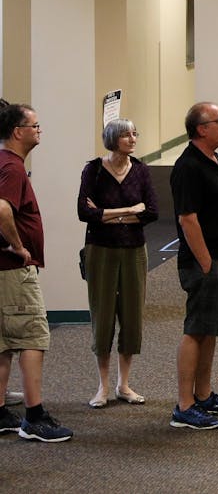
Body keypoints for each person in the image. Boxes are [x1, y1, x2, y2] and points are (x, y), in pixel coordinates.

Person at [0, 102, 74, 442]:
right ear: (18, 131)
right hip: (12, 270)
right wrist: (18, 246)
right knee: (32, 337)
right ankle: (35, 417)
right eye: (35, 125)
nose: (39, 130)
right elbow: (2, 209)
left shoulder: (5, 163)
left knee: (4, 342)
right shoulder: (12, 167)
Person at [170, 102, 218, 430]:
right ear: (202, 129)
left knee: (210, 330)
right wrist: (205, 263)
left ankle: (204, 394)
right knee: (196, 330)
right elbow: (188, 219)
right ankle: (184, 405)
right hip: (206, 262)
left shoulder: (215, 159)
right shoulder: (188, 167)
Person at [76, 117, 158, 409]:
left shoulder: (141, 170)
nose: (133, 139)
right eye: (126, 135)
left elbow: (151, 212)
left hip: (134, 249)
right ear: (112, 138)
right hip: (101, 249)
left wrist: (108, 214)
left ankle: (124, 385)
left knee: (132, 315)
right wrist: (127, 211)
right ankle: (103, 386)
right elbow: (84, 213)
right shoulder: (94, 170)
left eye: (135, 134)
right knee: (103, 314)